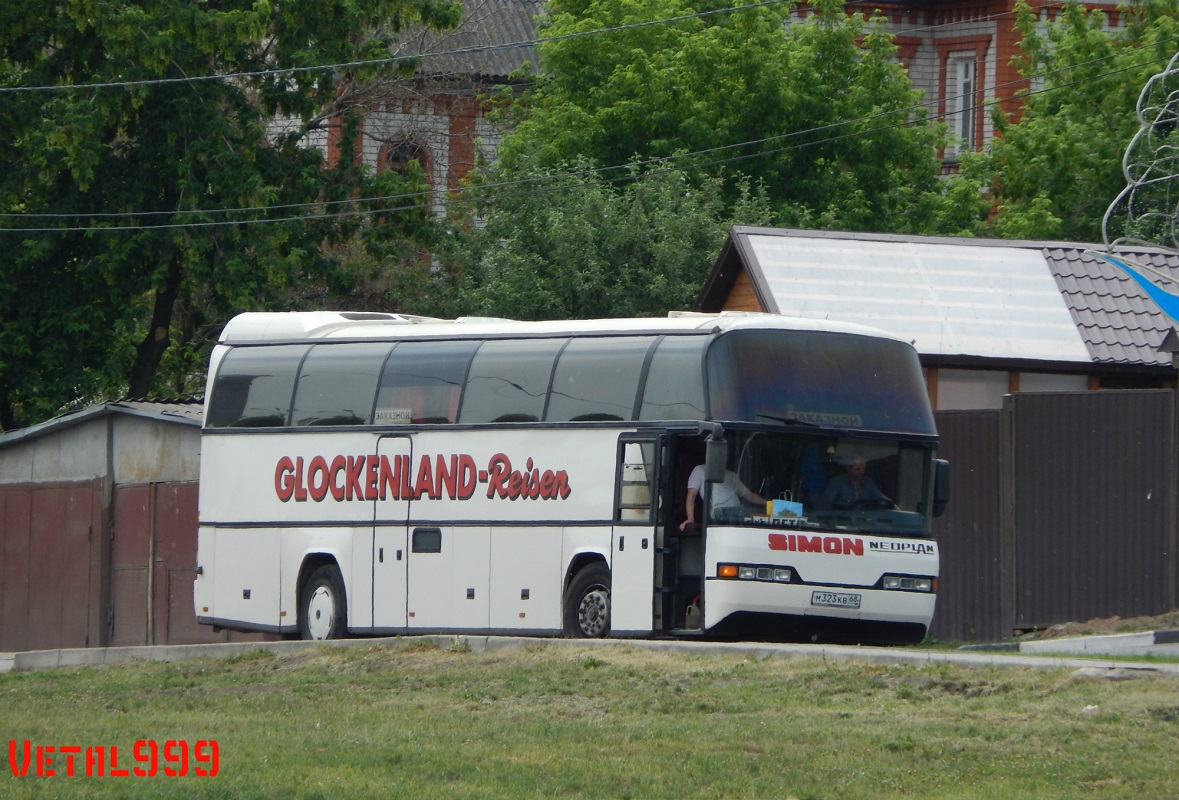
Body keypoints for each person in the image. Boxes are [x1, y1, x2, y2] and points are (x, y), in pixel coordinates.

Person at [680, 464, 767, 530]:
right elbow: (691, 495)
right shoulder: (700, 470)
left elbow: (750, 496)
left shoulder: (731, 474)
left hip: (740, 513)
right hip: (720, 514)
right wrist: (690, 518)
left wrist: (769, 503)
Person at [824, 455, 891, 509]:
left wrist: (897, 510)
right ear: (848, 468)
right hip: (842, 520)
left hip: (864, 521)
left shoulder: (868, 482)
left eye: (863, 469)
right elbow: (825, 505)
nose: (861, 472)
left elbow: (881, 499)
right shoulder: (836, 483)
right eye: (857, 469)